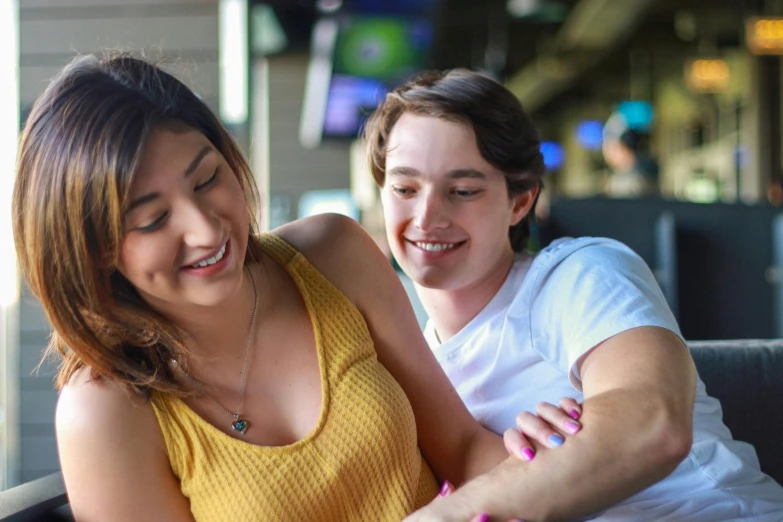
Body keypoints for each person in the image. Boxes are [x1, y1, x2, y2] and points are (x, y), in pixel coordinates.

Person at [12, 53, 580, 522]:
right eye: (153, 219)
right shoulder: (104, 412)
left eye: (208, 179)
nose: (206, 228)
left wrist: (547, 451)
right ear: (92, 249)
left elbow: (460, 449)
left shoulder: (332, 254)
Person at [364, 68, 783, 521]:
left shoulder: (578, 273)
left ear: (520, 201)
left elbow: (653, 424)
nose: (426, 216)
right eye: (404, 189)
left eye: (463, 190)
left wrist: (450, 514)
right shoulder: (412, 364)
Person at [602, 127, 659, 198]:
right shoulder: (646, 171)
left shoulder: (633, 181)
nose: (610, 154)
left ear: (625, 149)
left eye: (615, 149)